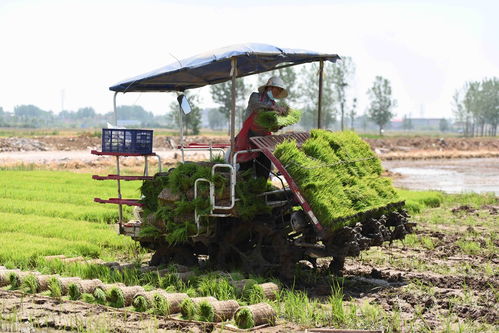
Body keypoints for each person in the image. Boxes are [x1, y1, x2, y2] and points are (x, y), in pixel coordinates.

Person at [234, 76, 288, 179]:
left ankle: (262, 190)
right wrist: (273, 108)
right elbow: (256, 105)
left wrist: (281, 124)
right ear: (270, 88)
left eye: (281, 90)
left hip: (263, 140)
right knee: (246, 169)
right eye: (278, 89)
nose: (279, 92)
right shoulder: (255, 97)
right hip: (248, 138)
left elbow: (273, 128)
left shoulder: (274, 104)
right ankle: (244, 190)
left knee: (264, 168)